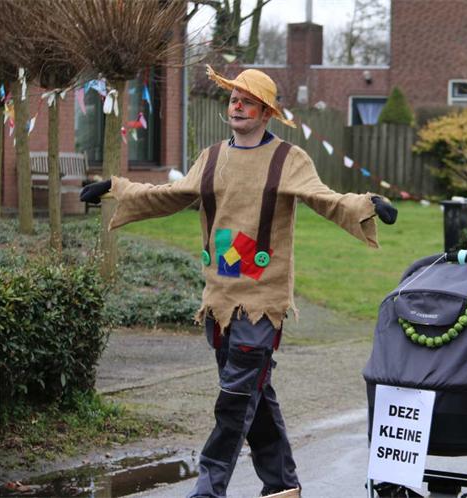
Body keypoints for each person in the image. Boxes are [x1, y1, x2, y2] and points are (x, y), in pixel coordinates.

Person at [80, 66, 398, 498]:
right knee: (253, 396)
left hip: (262, 305)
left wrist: (368, 204)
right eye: (234, 100)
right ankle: (282, 486)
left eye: (248, 102)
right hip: (219, 300)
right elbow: (170, 195)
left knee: (233, 401)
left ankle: (208, 489)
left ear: (266, 113)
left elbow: (325, 198)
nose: (238, 107)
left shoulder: (288, 159)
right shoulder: (211, 157)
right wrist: (114, 188)